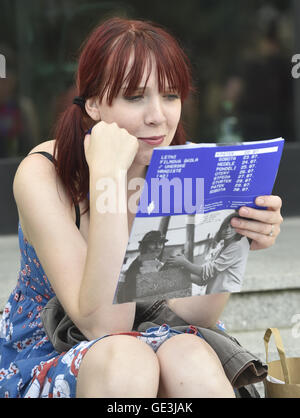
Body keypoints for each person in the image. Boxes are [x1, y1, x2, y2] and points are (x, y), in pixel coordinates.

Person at [0, 17, 283, 398]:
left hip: (153, 338)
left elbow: (193, 317)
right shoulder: (43, 174)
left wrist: (234, 238)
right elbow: (107, 325)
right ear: (95, 104)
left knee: (190, 354)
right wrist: (107, 179)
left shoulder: (181, 168)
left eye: (170, 96)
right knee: (128, 358)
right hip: (52, 350)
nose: (158, 116)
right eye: (135, 97)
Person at [165, 212, 250, 294]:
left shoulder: (238, 246)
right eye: (225, 227)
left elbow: (208, 271)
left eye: (232, 227)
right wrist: (181, 273)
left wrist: (184, 262)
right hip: (214, 296)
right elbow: (203, 280)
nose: (228, 230)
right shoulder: (222, 246)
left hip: (226, 295)